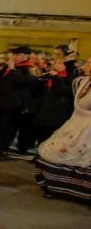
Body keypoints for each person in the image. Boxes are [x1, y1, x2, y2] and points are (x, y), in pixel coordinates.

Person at [34, 59, 91, 201]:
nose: (86, 66)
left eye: (90, 63)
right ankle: (54, 187)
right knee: (52, 151)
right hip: (74, 124)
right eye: (88, 62)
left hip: (87, 129)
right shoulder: (81, 82)